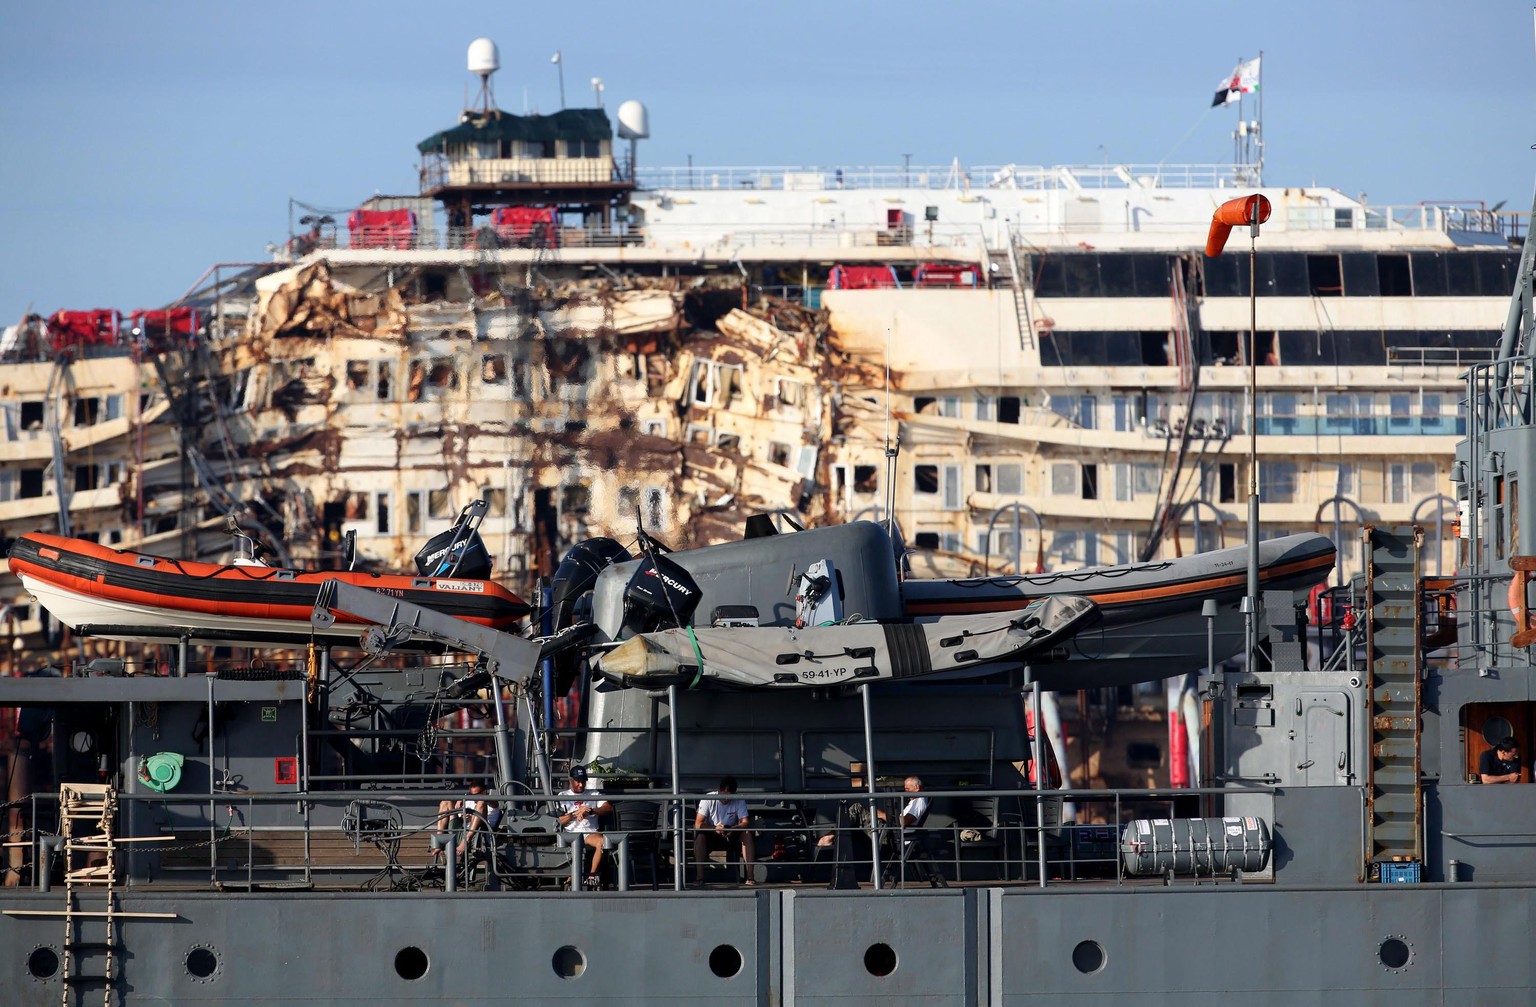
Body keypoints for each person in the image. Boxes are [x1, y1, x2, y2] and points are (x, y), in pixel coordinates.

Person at [693, 775, 755, 886]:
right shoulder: (707, 799)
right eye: (724, 795)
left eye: (729, 797)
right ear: (719, 790)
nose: (726, 799)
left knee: (747, 834)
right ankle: (699, 877)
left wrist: (733, 829)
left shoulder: (739, 800)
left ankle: (750, 877)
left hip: (731, 833)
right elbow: (698, 824)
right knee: (700, 837)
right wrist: (714, 829)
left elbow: (745, 822)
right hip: (712, 834)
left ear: (734, 794)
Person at [557, 766, 610, 888]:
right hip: (571, 833)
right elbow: (559, 821)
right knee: (576, 843)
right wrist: (576, 813)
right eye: (578, 781)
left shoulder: (593, 794)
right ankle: (572, 877)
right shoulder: (562, 795)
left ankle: (592, 876)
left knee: (602, 842)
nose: (581, 785)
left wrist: (591, 811)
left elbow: (607, 807)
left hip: (590, 833)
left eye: (583, 781)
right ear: (571, 780)